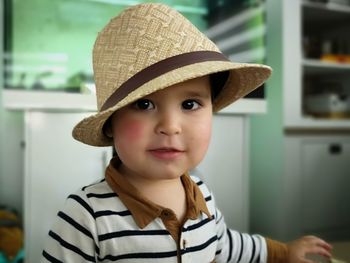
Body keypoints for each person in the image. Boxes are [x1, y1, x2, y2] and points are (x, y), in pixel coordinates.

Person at [41, 3, 332, 262]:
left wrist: (282, 252)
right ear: (111, 122)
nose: (170, 125)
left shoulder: (200, 194)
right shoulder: (86, 215)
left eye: (190, 103)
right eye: (144, 104)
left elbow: (224, 245)